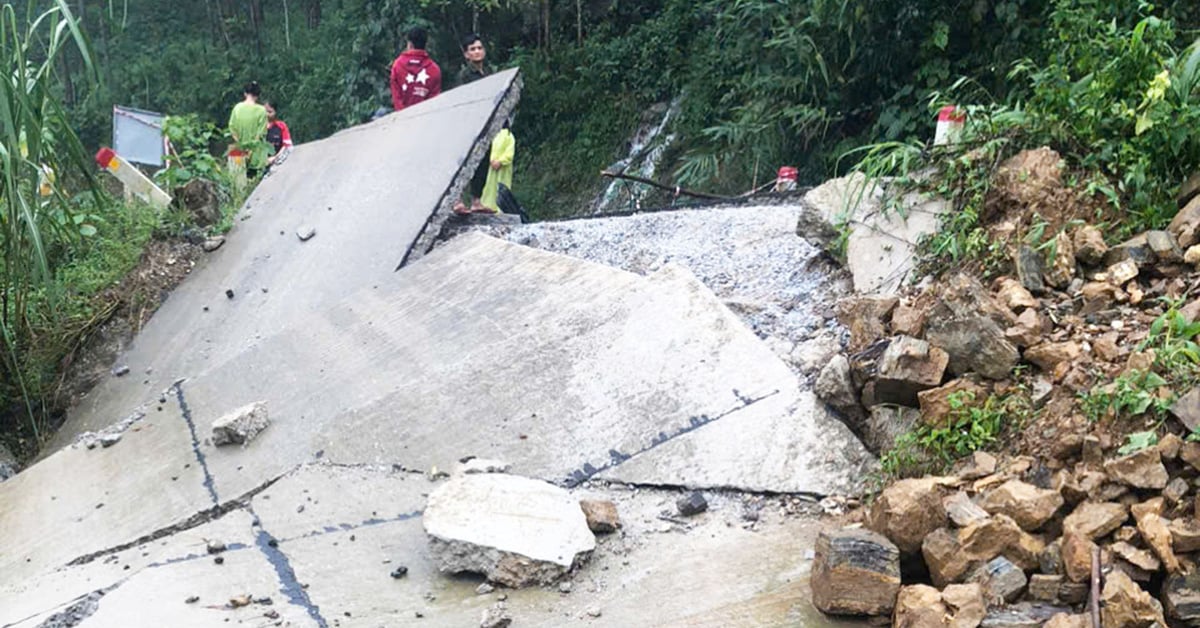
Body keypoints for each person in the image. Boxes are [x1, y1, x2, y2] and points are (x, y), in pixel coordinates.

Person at [390, 27, 442, 111]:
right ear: (426, 44)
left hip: (403, 119)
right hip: (426, 118)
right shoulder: (434, 69)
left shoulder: (397, 65)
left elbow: (396, 98)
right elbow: (434, 100)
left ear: (410, 44)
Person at [228, 81, 269, 178]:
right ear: (258, 95)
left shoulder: (237, 108)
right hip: (257, 157)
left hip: (239, 155)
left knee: (239, 182)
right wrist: (251, 150)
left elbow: (232, 128)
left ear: (245, 93)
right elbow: (261, 133)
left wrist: (242, 146)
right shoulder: (262, 110)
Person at [480, 119, 515, 213]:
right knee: (489, 188)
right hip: (492, 168)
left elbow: (509, 153)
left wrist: (500, 161)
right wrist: (491, 161)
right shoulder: (494, 135)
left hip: (503, 169)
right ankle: (488, 207)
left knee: (501, 187)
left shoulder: (508, 136)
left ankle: (501, 209)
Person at [263, 101, 293, 168]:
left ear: (275, 112)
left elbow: (287, 146)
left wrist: (274, 158)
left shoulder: (281, 126)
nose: (267, 114)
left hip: (278, 163)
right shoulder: (257, 128)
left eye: (270, 112)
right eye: (264, 111)